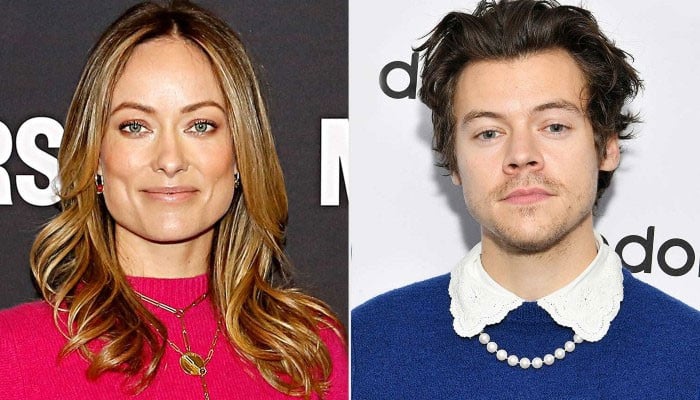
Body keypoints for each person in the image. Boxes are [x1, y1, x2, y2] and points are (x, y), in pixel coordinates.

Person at [352, 0, 700, 398]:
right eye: (489, 133)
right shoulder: (365, 347)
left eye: (554, 126)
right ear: (454, 162)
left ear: (606, 146)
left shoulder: (690, 356)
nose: (521, 155)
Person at [0, 1, 347, 399]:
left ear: (240, 154)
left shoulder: (309, 352)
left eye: (200, 125)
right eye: (135, 126)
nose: (169, 160)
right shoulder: (12, 353)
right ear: (95, 155)